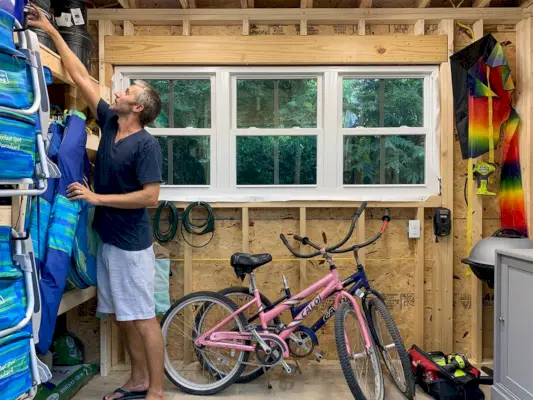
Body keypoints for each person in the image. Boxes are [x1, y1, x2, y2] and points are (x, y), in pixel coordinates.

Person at [28, 6, 165, 400]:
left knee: (142, 318)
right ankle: (138, 380)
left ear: (137, 107)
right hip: (108, 240)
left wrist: (95, 197)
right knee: (123, 317)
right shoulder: (108, 122)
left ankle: (155, 391)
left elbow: (151, 198)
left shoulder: (146, 145)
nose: (117, 93)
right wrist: (52, 31)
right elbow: (78, 75)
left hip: (131, 246)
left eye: (126, 92)